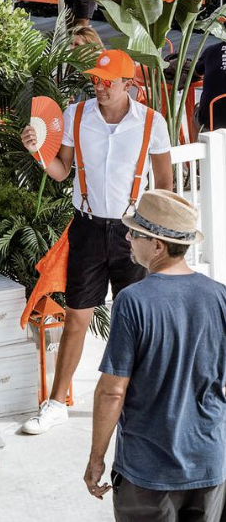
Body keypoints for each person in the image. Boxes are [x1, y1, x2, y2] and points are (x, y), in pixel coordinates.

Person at [20, 48, 172, 435]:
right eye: (96, 80)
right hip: (87, 227)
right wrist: (38, 150)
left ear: (129, 84)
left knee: (135, 320)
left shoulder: (152, 123)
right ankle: (55, 404)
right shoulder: (76, 115)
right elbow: (60, 172)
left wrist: (159, 239)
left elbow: (166, 186)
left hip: (133, 231)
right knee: (76, 317)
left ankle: (141, 402)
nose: (99, 87)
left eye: (108, 82)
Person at [85, 189, 226, 522]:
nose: (128, 239)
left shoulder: (134, 301)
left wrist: (96, 458)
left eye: (135, 233)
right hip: (209, 463)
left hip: (149, 470)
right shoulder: (220, 297)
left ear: (158, 245)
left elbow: (112, 391)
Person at [194, 39, 226, 130]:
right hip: (214, 117)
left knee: (196, 107)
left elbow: (197, 72)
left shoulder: (210, 50)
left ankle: (197, 142)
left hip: (211, 120)